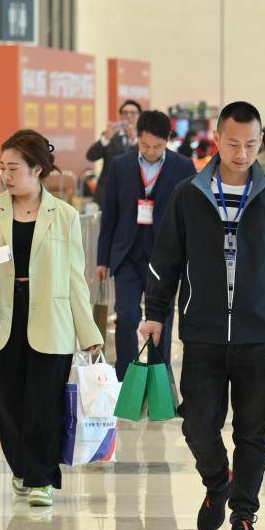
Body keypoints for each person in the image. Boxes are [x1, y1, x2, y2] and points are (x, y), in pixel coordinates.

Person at [142, 101, 265, 530]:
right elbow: (165, 262)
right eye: (234, 143)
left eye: (251, 144)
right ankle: (217, 481)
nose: (242, 153)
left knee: (251, 433)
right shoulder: (188, 194)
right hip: (203, 333)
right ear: (217, 139)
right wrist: (154, 313)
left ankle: (243, 518)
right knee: (197, 424)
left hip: (258, 334)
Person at [0, 129, 104, 507]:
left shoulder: (63, 216)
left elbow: (75, 278)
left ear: (37, 169)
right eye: (3, 168)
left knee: (44, 404)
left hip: (52, 319)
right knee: (9, 402)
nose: (6, 176)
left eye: (14, 168)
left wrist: (88, 331)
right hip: (4, 320)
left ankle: (40, 478)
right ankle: (21, 469)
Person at [95, 110, 196, 380]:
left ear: (168, 141)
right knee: (126, 315)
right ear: (137, 139)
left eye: (157, 147)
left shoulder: (183, 167)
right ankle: (126, 378)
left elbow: (190, 217)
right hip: (127, 253)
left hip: (165, 257)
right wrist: (102, 259)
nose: (150, 152)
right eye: (145, 145)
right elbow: (110, 214)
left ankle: (158, 377)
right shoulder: (120, 165)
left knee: (160, 318)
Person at [86, 100, 142, 206]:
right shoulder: (110, 135)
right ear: (120, 116)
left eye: (133, 113)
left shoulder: (144, 137)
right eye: (125, 113)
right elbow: (91, 156)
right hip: (108, 191)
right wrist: (106, 138)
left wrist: (134, 140)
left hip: (134, 192)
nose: (129, 116)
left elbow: (148, 159)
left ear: (139, 116)